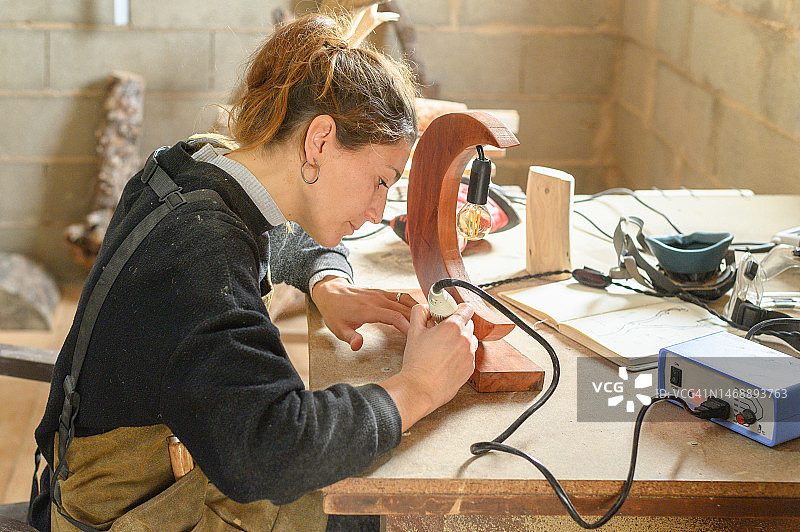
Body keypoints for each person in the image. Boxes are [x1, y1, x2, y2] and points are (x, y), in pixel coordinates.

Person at [29, 12, 478, 532]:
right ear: (319, 140)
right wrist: (417, 388)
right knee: (383, 513)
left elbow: (281, 233)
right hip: (115, 511)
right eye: (379, 181)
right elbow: (273, 453)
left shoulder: (192, 166)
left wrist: (327, 283)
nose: (379, 210)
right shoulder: (201, 258)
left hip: (121, 471)